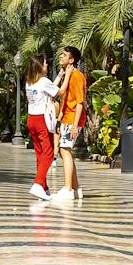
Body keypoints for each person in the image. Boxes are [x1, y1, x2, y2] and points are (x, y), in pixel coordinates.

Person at [51, 46, 89, 206]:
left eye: (64, 55)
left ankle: (67, 189)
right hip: (66, 118)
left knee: (64, 150)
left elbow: (80, 102)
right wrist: (60, 119)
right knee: (65, 151)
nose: (61, 56)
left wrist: (74, 125)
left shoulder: (77, 76)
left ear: (72, 60)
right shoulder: (68, 75)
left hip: (73, 119)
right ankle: (75, 188)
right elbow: (63, 99)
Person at [24, 56, 58, 202]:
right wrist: (67, 75)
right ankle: (38, 183)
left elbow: (50, 89)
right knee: (49, 153)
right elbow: (59, 92)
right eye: (45, 63)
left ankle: (43, 188)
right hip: (42, 120)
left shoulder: (29, 83)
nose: (47, 65)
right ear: (39, 66)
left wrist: (61, 75)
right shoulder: (44, 81)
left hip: (31, 119)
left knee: (40, 154)